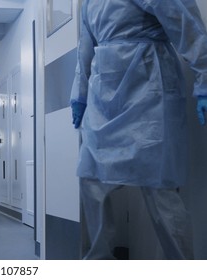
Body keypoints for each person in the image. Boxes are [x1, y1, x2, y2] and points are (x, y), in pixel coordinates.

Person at [70, 0, 207, 259]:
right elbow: (84, 47)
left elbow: (185, 23)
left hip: (148, 85)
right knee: (91, 177)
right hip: (104, 95)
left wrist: (204, 78)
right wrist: (80, 94)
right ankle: (96, 264)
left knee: (160, 189)